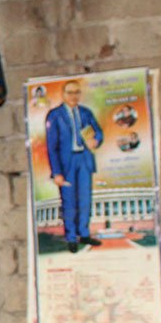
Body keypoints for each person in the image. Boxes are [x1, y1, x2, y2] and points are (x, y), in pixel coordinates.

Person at [45, 79, 104, 253]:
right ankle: (71, 237)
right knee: (69, 201)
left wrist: (96, 140)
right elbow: (51, 146)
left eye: (77, 92)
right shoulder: (54, 115)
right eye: (70, 93)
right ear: (63, 95)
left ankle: (84, 233)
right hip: (66, 164)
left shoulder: (86, 112)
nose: (73, 96)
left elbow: (98, 131)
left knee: (85, 199)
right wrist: (56, 172)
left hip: (84, 160)